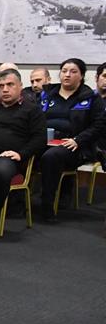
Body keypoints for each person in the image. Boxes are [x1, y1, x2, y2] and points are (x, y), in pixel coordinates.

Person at [0, 68, 46, 238]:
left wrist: (21, 154)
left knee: (0, 172)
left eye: (10, 85)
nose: (5, 89)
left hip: (7, 157)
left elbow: (40, 139)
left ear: (20, 86)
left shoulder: (32, 110)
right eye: (1, 86)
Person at [38, 58, 106, 223]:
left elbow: (98, 126)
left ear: (82, 76)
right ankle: (16, 200)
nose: (67, 75)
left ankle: (47, 206)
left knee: (51, 157)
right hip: (44, 140)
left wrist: (78, 140)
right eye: (64, 71)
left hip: (76, 145)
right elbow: (34, 117)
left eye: (73, 71)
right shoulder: (46, 94)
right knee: (19, 150)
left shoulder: (91, 98)